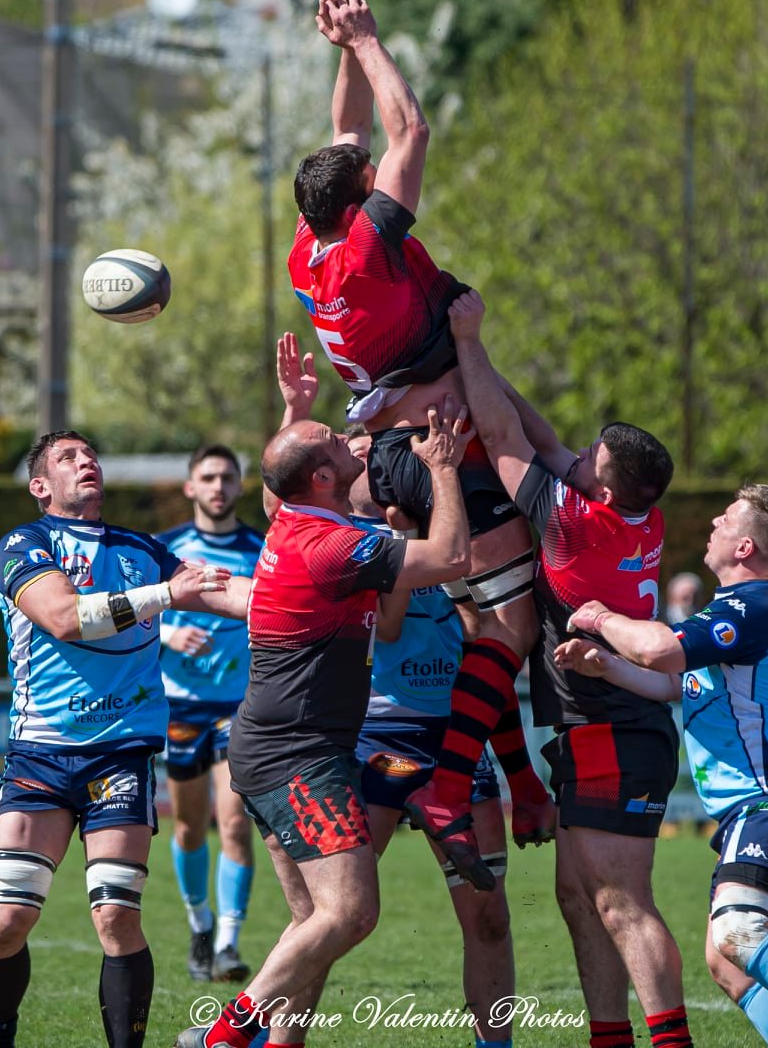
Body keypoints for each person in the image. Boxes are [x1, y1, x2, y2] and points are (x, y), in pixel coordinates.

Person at [289, 0, 553, 883]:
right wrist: (365, 37)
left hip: (404, 448)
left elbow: (349, 137)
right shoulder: (366, 249)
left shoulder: (312, 243)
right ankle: (451, 778)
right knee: (510, 632)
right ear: (364, 199)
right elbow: (411, 134)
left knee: (488, 617)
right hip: (446, 448)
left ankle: (499, 779)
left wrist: (339, 55)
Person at [175, 400, 474, 1048]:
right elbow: (451, 555)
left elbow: (279, 482)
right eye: (336, 442)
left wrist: (295, 411)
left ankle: (267, 1042)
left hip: (284, 751)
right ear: (322, 480)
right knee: (351, 911)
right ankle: (226, 1035)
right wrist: (444, 468)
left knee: (314, 920)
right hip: (295, 759)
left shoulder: (296, 520)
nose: (351, 441)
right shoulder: (338, 546)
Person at [448, 291, 692, 1048]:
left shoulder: (576, 524)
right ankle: (608, 1037)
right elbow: (546, 440)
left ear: (604, 489)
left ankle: (671, 1040)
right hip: (604, 730)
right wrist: (477, 359)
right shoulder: (637, 513)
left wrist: (467, 338)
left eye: (594, 461)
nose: (579, 460)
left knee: (620, 902)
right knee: (579, 897)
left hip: (615, 728)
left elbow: (504, 436)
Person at [557, 484, 768, 1048]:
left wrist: (602, 617)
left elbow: (658, 650)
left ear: (746, 545)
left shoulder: (752, 604)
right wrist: (605, 667)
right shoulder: (736, 609)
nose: (712, 522)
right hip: (758, 808)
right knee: (729, 964)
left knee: (739, 935)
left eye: (725, 518)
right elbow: (673, 682)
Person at [277, 334, 518, 1047]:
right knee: (332, 917)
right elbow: (283, 489)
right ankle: (279, 1038)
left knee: (490, 912)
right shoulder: (342, 540)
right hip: (378, 739)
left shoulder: (455, 529)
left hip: (455, 741)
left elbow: (488, 625)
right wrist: (294, 411)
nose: (380, 457)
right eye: (361, 451)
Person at [0, 430, 252, 1048]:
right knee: (8, 922)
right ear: (40, 486)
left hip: (120, 754)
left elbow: (227, 591)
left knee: (116, 916)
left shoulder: (140, 548)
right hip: (39, 754)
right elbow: (65, 618)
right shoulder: (25, 543)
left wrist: (308, 599)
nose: (87, 462)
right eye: (68, 458)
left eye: (90, 455)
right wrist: (166, 595)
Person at [157, 445, 265, 984]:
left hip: (239, 709)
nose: (218, 485)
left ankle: (227, 943)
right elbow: (125, 614)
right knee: (189, 828)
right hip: (180, 709)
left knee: (235, 824)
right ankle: (199, 924)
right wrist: (168, 633)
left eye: (227, 476)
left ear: (239, 485)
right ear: (190, 487)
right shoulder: (164, 549)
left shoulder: (260, 548)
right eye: (208, 477)